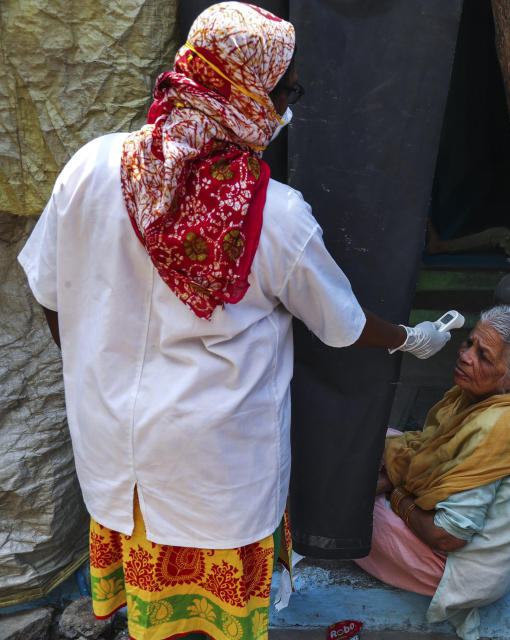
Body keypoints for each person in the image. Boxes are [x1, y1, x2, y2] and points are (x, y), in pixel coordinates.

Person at [17, 4, 450, 640]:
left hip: (117, 458)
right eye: (287, 89)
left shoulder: (90, 168)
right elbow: (343, 326)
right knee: (216, 626)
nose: (289, 104)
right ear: (244, 93)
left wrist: (90, 366)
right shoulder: (275, 214)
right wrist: (410, 338)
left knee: (154, 621)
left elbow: (48, 290)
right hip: (215, 474)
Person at [354, 305, 510, 640]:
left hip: (468, 571)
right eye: (470, 343)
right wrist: (393, 478)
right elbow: (429, 449)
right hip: (507, 546)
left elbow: (447, 536)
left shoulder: (494, 430)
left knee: (343, 504)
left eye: (484, 357)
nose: (465, 356)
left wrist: (394, 492)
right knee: (372, 440)